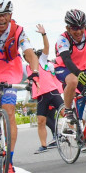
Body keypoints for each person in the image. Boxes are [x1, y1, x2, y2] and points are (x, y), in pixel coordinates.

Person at [0, 0, 40, 173]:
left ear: (10, 15)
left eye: (4, 15)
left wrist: (34, 72)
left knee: (8, 111)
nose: (1, 19)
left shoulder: (19, 32)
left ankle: (8, 161)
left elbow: (30, 53)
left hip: (10, 73)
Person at [30, 24, 64, 153]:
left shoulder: (42, 61)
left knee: (65, 112)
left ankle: (77, 133)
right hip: (41, 96)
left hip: (52, 92)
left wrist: (44, 34)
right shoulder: (26, 67)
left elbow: (47, 47)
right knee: (41, 121)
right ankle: (44, 145)